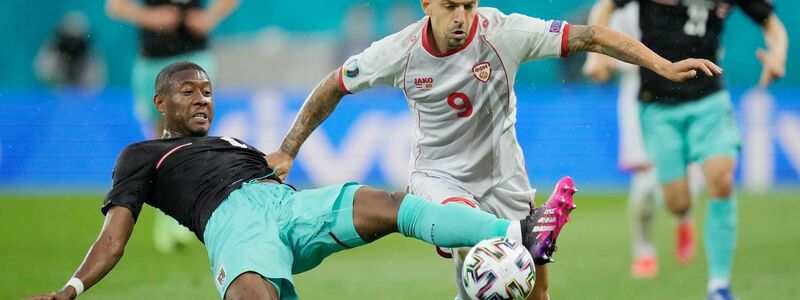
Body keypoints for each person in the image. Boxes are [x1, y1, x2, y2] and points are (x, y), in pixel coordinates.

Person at [265, 0, 722, 298]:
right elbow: (335, 84)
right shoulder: (398, 52)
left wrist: (661, 65)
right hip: (438, 177)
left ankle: (521, 236)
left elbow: (592, 36)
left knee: (531, 289)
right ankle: (524, 233)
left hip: (504, 175)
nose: (461, 17)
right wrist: (288, 149)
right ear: (427, 5)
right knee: (473, 241)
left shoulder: (505, 32)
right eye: (450, 7)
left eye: (468, 4)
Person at [24, 62, 578, 300]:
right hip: (234, 225)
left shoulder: (235, 143)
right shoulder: (140, 155)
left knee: (391, 204)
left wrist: (282, 154)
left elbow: (274, 166)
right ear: (160, 101)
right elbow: (114, 237)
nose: (202, 99)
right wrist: (73, 288)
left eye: (208, 91)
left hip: (287, 205)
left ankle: (519, 230)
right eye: (189, 92)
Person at [583, 0, 787, 298]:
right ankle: (682, 211)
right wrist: (596, 54)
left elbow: (772, 25)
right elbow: (605, 6)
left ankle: (719, 286)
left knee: (721, 180)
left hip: (709, 100)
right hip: (657, 106)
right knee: (677, 204)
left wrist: (778, 56)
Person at [582, 1, 706, 279]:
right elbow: (609, 42)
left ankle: (684, 217)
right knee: (646, 180)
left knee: (690, 172)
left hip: (687, 91)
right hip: (641, 95)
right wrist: (600, 61)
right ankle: (644, 249)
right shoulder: (626, 8)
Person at [106, 0, 240, 254]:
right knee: (161, 143)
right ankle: (168, 214)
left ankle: (186, 214)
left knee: (193, 136)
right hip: (152, 62)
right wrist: (149, 16)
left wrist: (209, 17)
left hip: (194, 56)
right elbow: (115, 6)